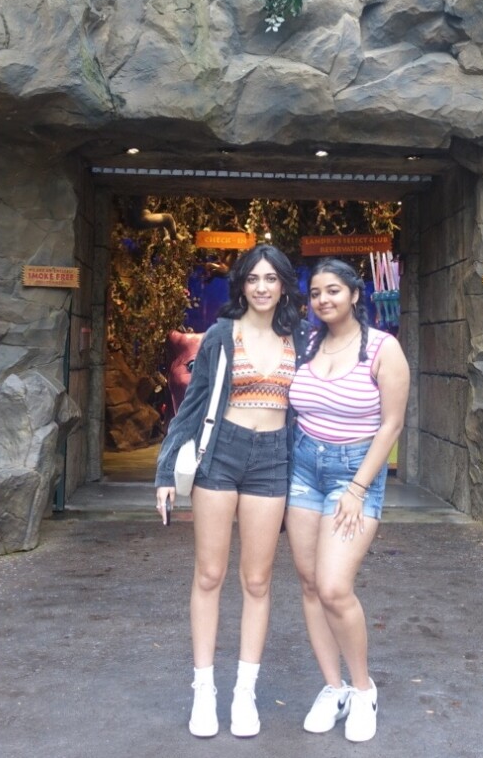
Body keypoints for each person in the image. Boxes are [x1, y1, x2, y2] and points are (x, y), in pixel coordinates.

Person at [155, 244, 313, 739]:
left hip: (272, 459)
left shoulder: (300, 337)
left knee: (258, 581)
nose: (262, 287)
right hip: (221, 452)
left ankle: (245, 692)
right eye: (253, 278)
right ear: (242, 284)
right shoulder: (223, 334)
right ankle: (204, 690)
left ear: (283, 284)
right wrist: (165, 471)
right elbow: (193, 404)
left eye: (271, 278)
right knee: (209, 574)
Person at [286, 257, 409, 743]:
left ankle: (362, 690)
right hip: (303, 468)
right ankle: (332, 687)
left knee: (335, 586)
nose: (324, 300)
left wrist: (358, 488)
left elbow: (392, 425)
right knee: (310, 583)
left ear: (355, 294)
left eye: (333, 290)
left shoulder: (382, 347)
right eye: (316, 292)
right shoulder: (306, 343)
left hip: (354, 471)